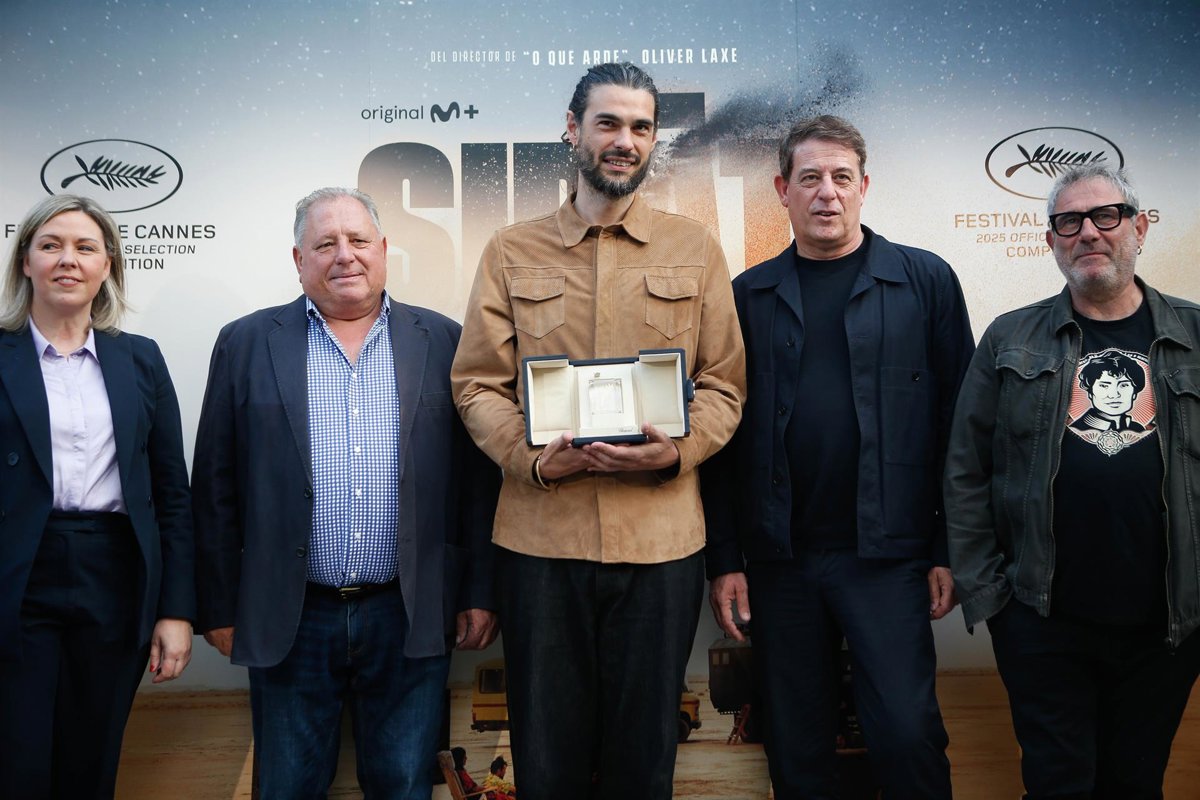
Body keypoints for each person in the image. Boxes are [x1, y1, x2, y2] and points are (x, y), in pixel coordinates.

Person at [451, 62, 745, 799]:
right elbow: (477, 383)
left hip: (661, 545)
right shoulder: (511, 251)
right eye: (608, 123)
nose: (625, 140)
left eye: (641, 127)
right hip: (540, 544)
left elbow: (725, 384)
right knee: (547, 759)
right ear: (572, 130)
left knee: (643, 759)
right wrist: (530, 459)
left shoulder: (696, 249)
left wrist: (678, 450)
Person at [193, 187, 500, 797]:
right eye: (325, 243)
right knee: (286, 787)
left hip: (410, 609)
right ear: (298, 259)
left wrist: (479, 591)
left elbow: (477, 484)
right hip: (291, 612)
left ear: (383, 249)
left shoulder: (444, 340)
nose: (345, 255)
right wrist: (219, 605)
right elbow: (215, 485)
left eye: (358, 240)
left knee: (404, 785)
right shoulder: (245, 342)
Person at [702, 115, 972, 798]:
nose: (827, 192)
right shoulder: (747, 297)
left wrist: (948, 547)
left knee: (907, 734)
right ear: (782, 190)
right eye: (810, 178)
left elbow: (962, 429)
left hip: (889, 559)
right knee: (795, 746)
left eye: (841, 177)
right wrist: (726, 560)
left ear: (864, 187)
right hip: (780, 561)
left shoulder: (925, 282)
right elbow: (721, 441)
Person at [945, 163, 1200, 798]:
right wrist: (992, 597)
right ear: (1051, 240)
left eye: (1105, 215)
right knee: (1057, 784)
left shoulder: (1196, 335)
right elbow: (965, 469)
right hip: (1040, 620)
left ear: (1139, 228)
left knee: (1134, 783)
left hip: (1165, 626)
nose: (1087, 232)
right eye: (1068, 221)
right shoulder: (1009, 338)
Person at [0, 194, 194, 797]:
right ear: (25, 261)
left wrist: (176, 610)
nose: (68, 259)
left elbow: (171, 494)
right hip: (17, 575)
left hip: (115, 577)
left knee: (91, 767)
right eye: (51, 245)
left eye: (85, 247)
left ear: (107, 265)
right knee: (18, 767)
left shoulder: (141, 359)